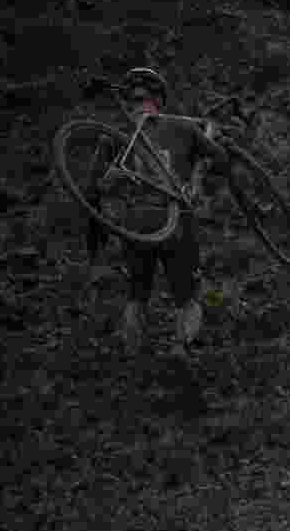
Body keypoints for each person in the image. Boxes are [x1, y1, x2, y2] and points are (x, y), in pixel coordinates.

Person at [86, 67, 228, 357]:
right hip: (176, 219)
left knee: (137, 294)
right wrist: (201, 176)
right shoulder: (184, 127)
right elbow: (220, 159)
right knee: (186, 294)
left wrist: (95, 248)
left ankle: (133, 356)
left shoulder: (113, 135)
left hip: (135, 222)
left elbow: (92, 191)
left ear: (129, 100)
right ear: (159, 99)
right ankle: (182, 348)